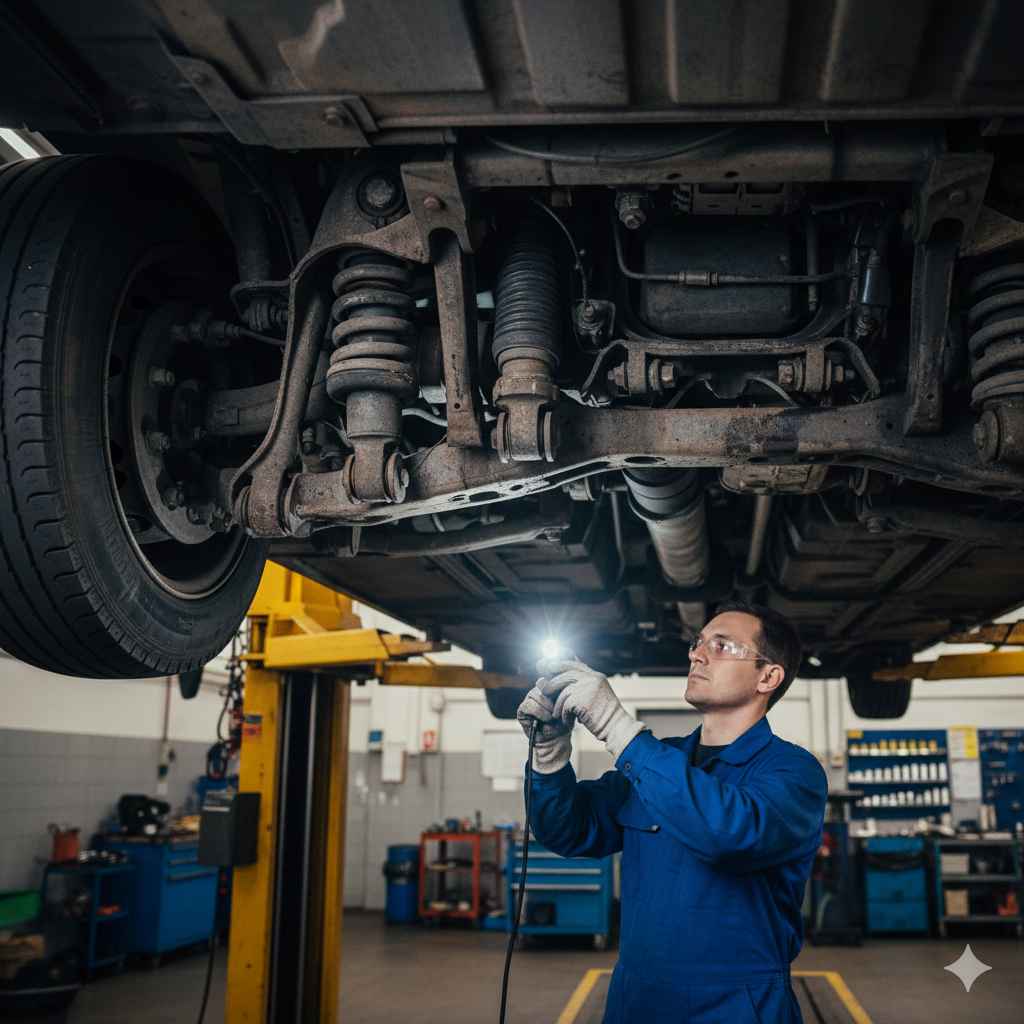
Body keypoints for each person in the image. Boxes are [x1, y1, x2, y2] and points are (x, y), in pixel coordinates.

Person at [518, 601, 828, 1023]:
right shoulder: (658, 761)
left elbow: (728, 834)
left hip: (736, 1007)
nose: (696, 654)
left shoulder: (792, 772)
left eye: (721, 646)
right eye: (698, 643)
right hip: (636, 1002)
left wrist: (616, 725)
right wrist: (549, 752)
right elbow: (568, 830)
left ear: (768, 676)